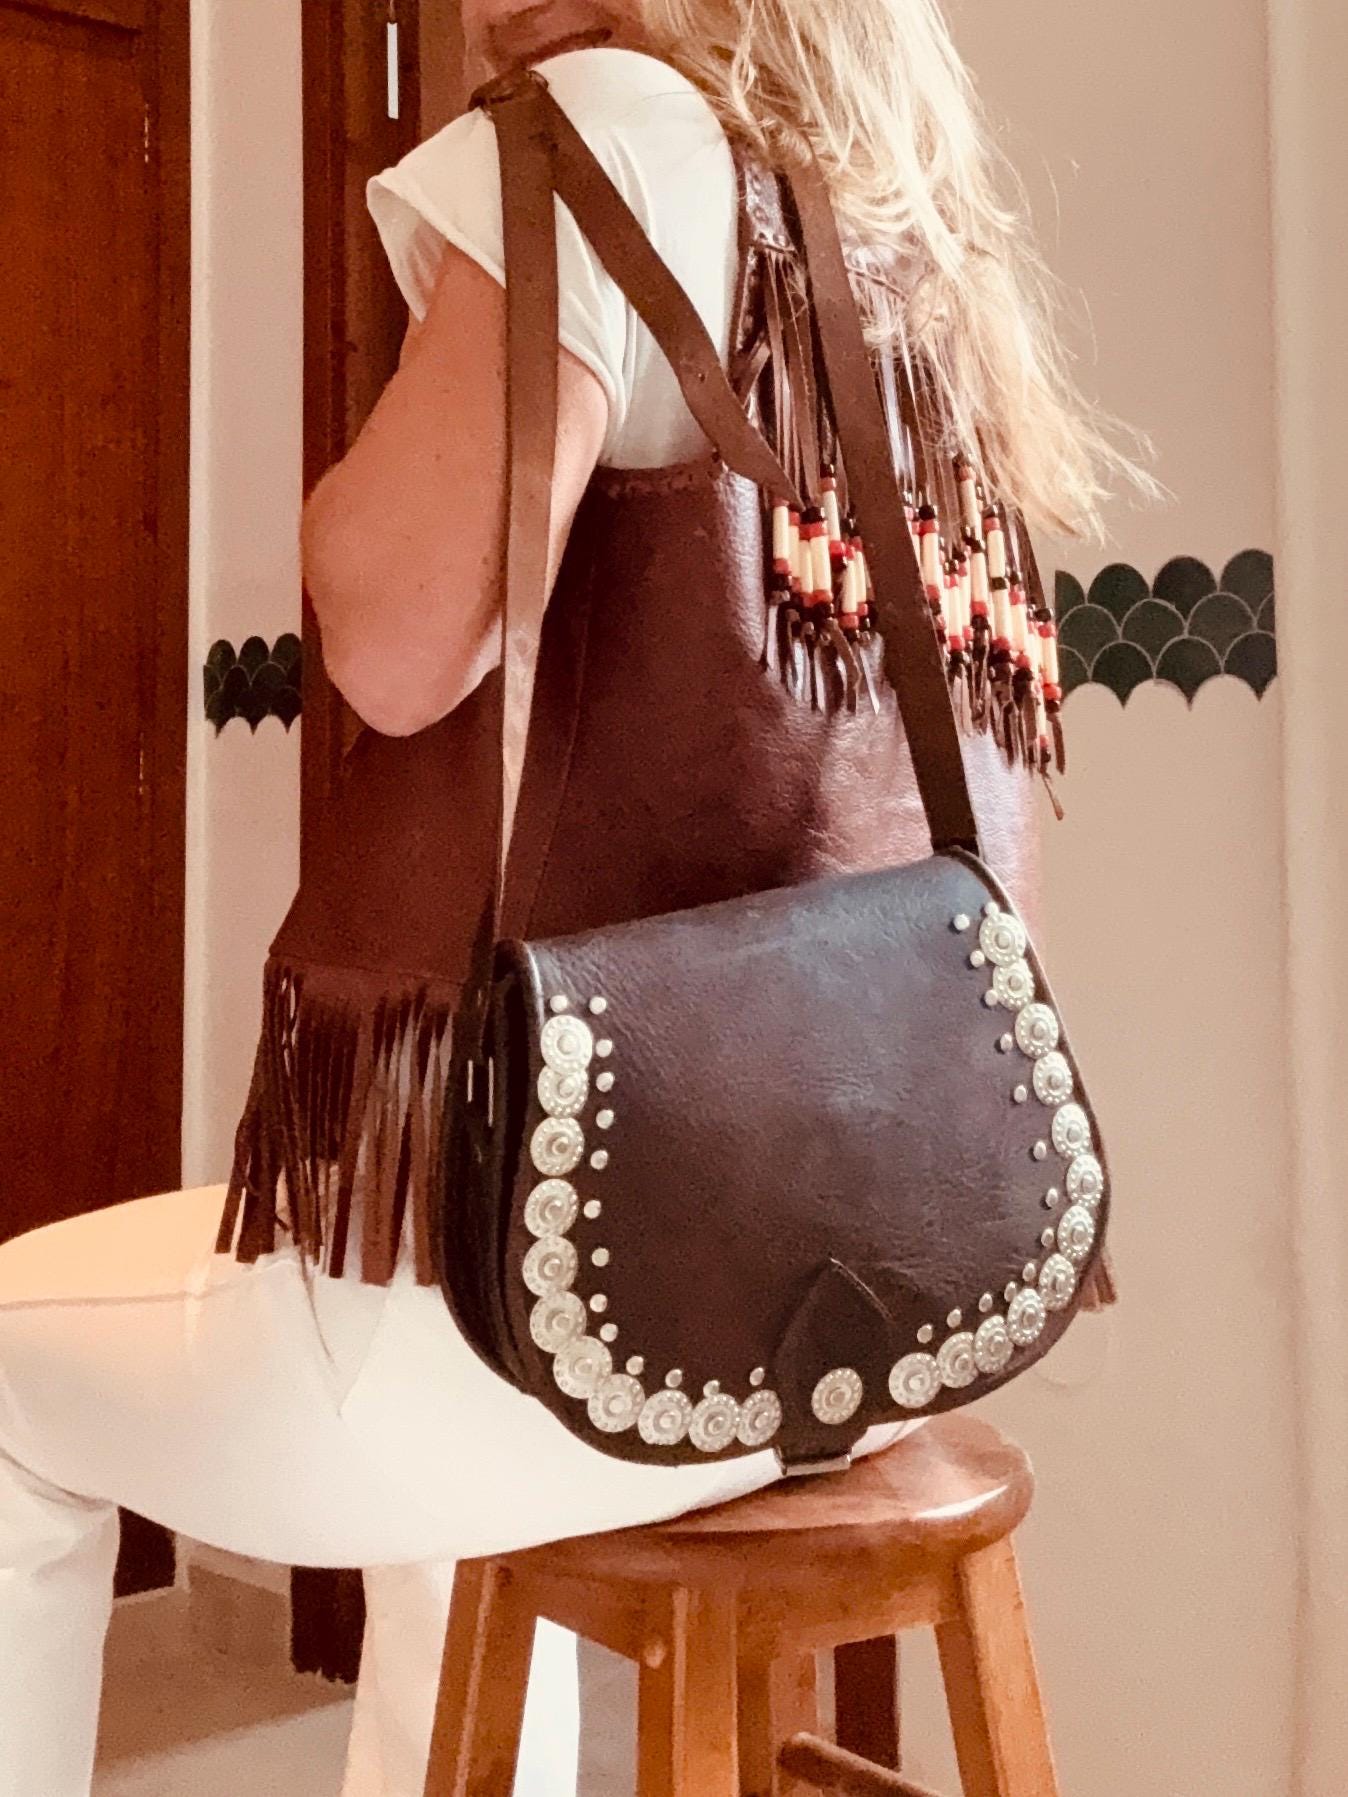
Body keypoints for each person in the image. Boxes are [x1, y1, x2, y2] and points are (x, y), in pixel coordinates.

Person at [0, 2, 1137, 1792]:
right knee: (453, 1458)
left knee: (14, 1366)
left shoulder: (599, 127)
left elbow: (393, 640)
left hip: (569, 1290)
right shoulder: (902, 224)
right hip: (879, 1291)